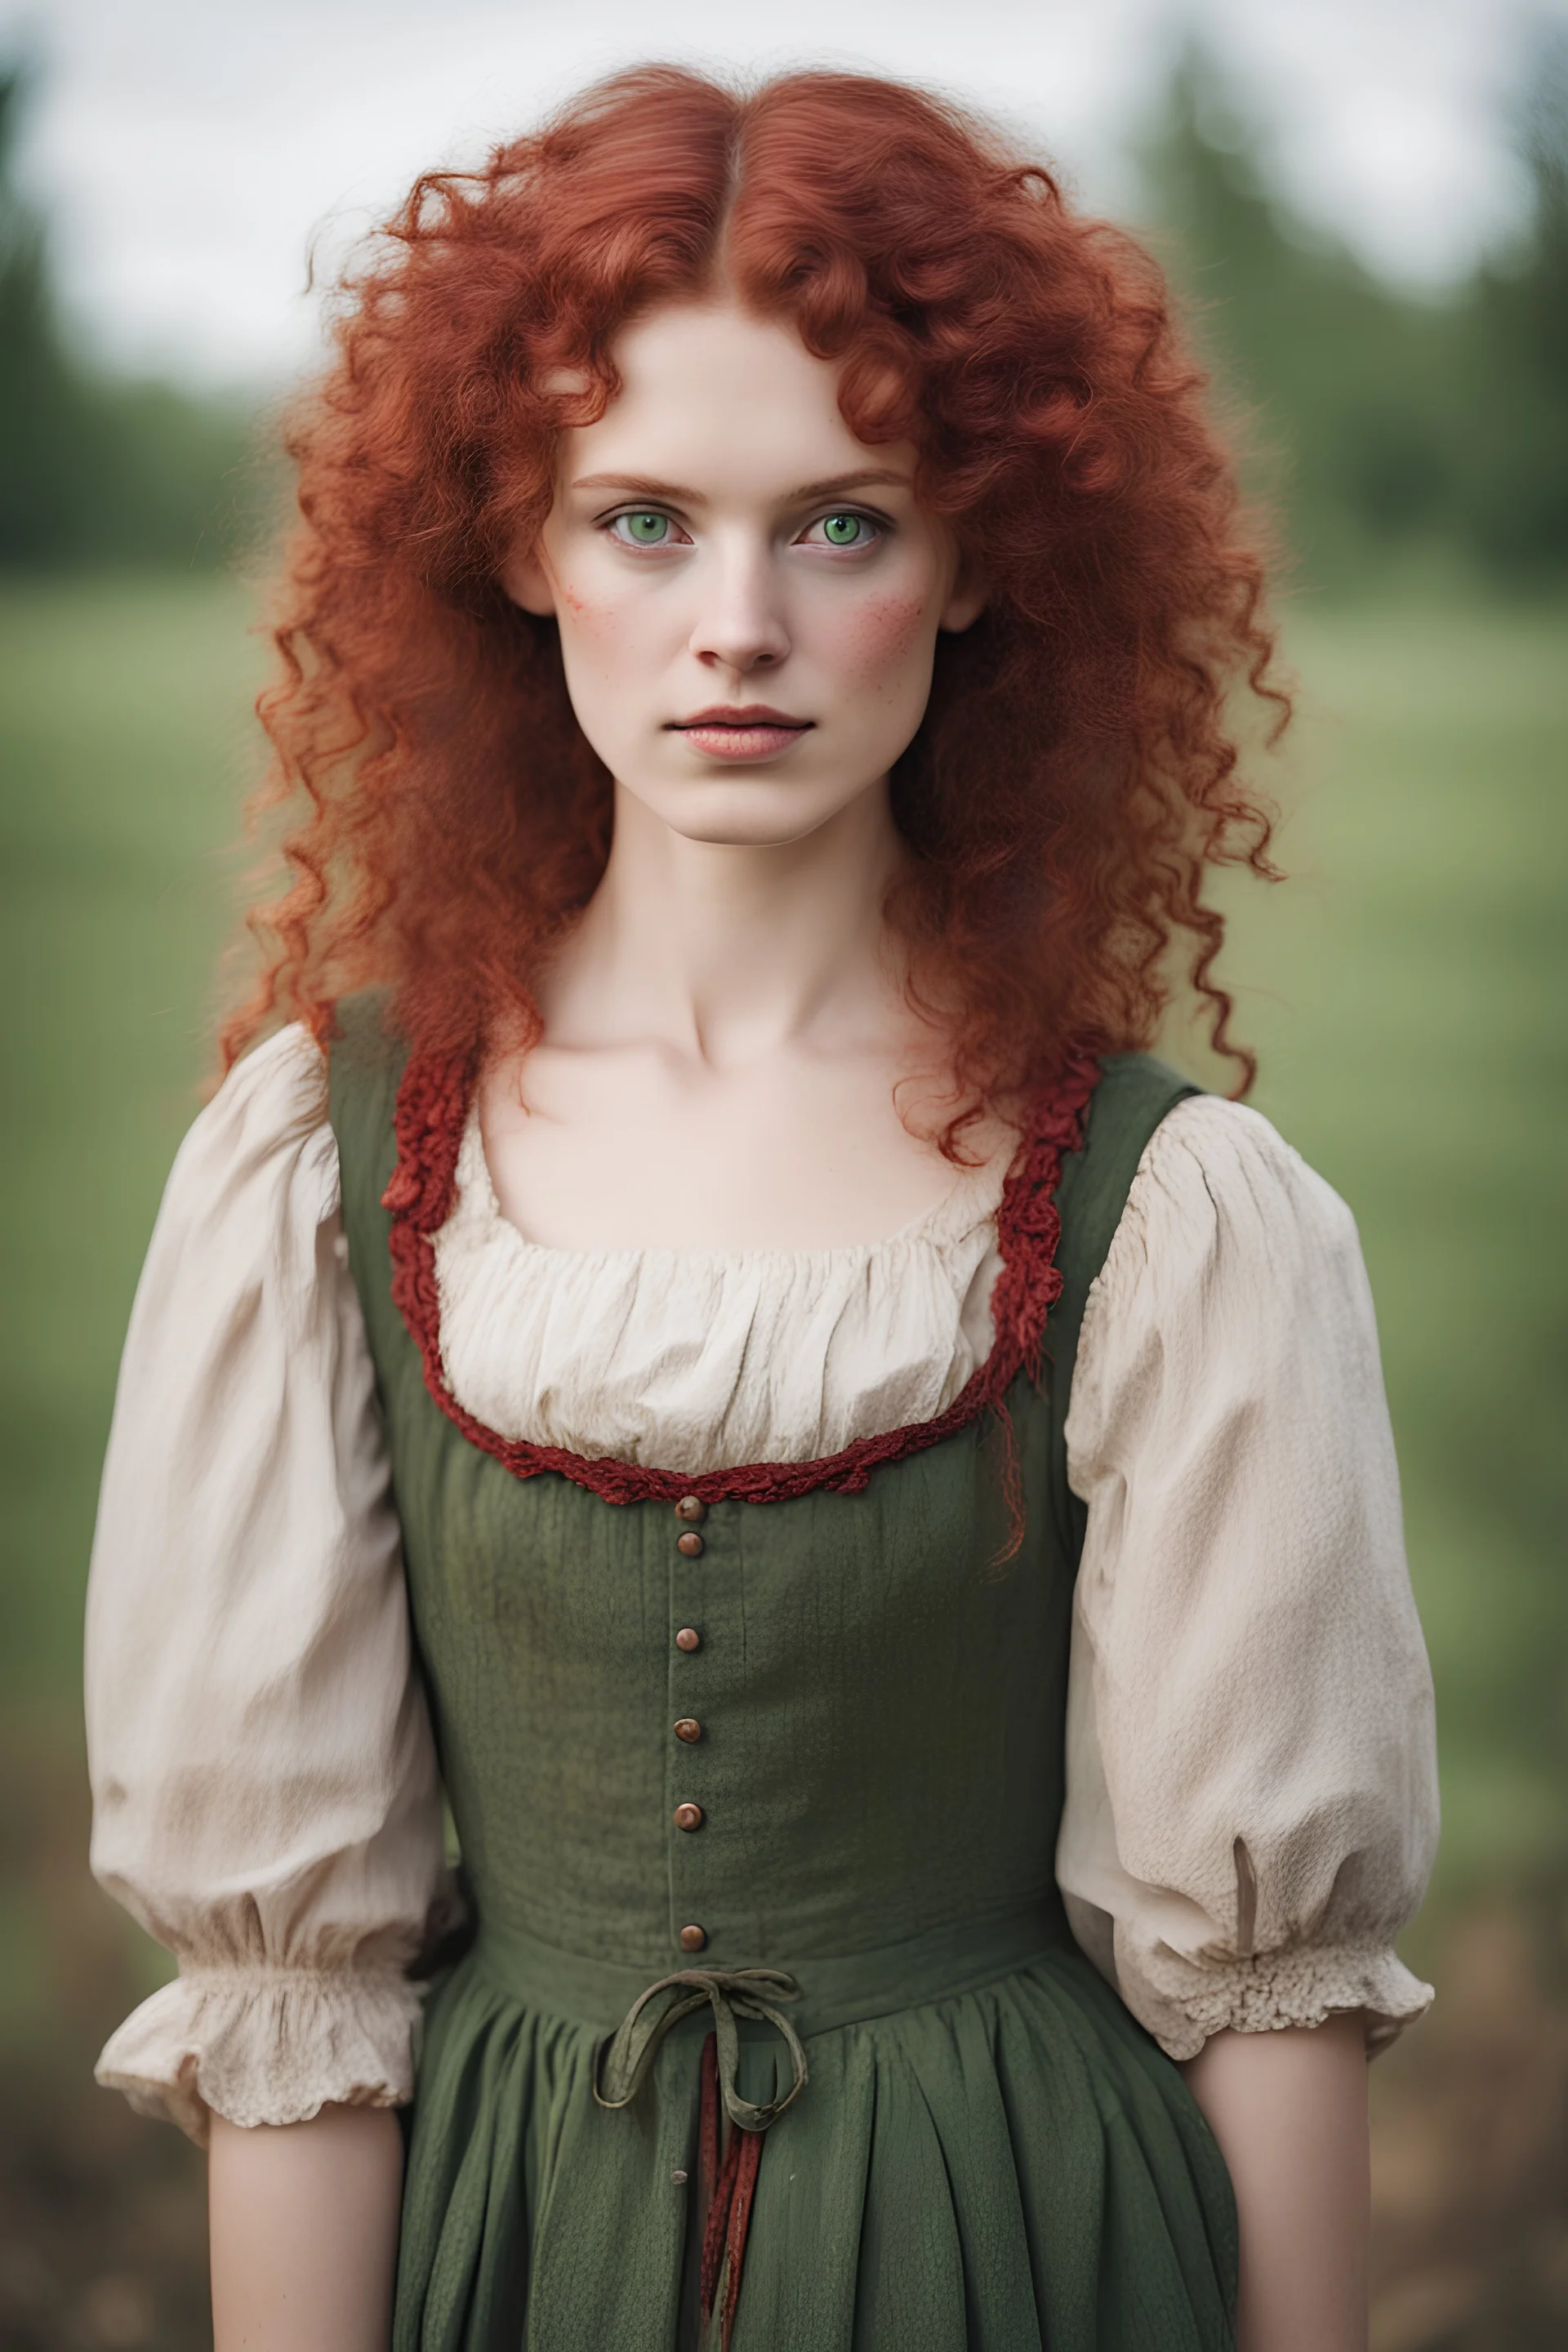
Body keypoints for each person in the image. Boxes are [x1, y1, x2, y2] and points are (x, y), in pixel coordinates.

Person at [83, 63, 1439, 2352]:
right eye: (643, 522)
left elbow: (1271, 1998)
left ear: (981, 556)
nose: (738, 623)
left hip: (1024, 2265)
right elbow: (291, 2011)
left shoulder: (1173, 1214)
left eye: (839, 524)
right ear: (517, 544)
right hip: (518, 2268)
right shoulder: (323, 1176)